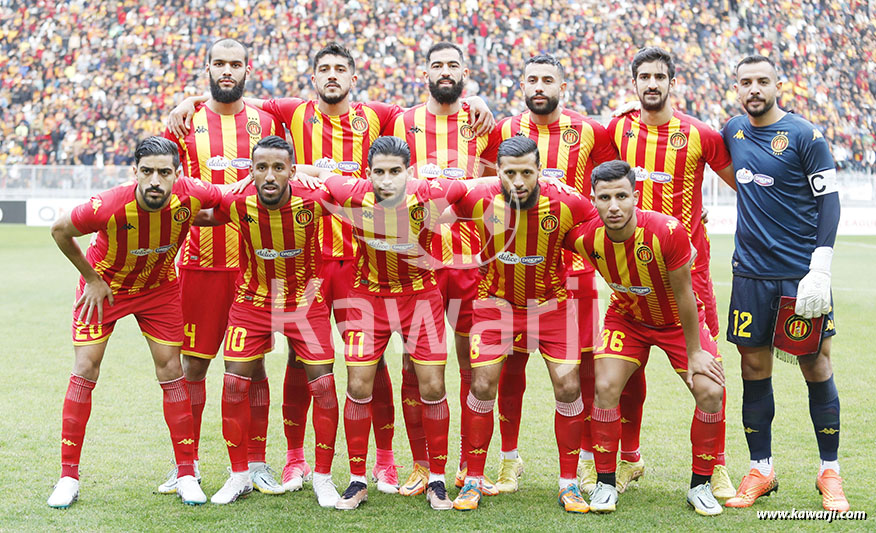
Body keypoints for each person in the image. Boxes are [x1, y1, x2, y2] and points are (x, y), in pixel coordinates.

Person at [167, 41, 494, 494]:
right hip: (312, 262)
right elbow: (238, 95)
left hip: (363, 261)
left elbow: (434, 101)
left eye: (342, 69)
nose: (333, 76)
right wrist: (193, 100)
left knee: (372, 364)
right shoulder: (293, 113)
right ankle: (296, 461)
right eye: (325, 69)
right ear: (314, 77)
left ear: (353, 77)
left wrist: (472, 97)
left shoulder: (379, 115)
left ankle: (383, 463)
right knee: (302, 362)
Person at [46, 136, 227, 508]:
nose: (155, 181)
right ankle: (68, 477)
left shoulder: (191, 194)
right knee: (85, 367)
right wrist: (93, 279)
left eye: (164, 172)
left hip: (158, 289)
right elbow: (60, 230)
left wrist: (207, 215)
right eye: (147, 172)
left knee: (171, 370)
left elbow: (225, 204)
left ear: (177, 174)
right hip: (105, 288)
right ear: (135, 173)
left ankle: (186, 473)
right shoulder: (109, 205)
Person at [317, 136, 492, 511]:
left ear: (408, 173)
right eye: (379, 172)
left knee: (432, 386)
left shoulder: (428, 192)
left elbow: (480, 183)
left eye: (395, 172)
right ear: (367, 174)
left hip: (420, 298)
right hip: (368, 298)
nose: (387, 181)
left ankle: (438, 481)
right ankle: (358, 480)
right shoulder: (351, 191)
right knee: (359, 383)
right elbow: (316, 175)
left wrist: (541, 181)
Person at [606, 46, 737, 498]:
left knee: (709, 377)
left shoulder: (700, 135)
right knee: (623, 375)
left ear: (672, 82)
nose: (652, 84)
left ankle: (715, 466)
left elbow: (743, 184)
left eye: (660, 76)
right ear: (635, 82)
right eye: (644, 76)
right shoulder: (618, 130)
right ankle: (629, 460)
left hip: (690, 280)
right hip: (631, 281)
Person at [722, 56, 847, 512]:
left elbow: (829, 202)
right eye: (745, 82)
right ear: (737, 88)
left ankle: (828, 472)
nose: (754, 89)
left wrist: (821, 268)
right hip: (750, 275)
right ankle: (761, 469)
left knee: (816, 365)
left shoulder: (806, 135)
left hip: (801, 276)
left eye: (762, 81)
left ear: (779, 84)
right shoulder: (732, 130)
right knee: (753, 370)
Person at [161, 37, 285, 496]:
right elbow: (169, 185)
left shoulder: (267, 120)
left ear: (247, 69)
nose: (227, 70)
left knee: (253, 368)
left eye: (235, 63)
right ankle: (185, 465)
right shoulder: (184, 120)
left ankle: (255, 463)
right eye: (220, 63)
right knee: (192, 366)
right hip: (199, 265)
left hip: (253, 265)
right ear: (207, 67)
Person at [567, 160, 726, 516]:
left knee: (711, 391)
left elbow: (685, 294)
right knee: (605, 387)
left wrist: (696, 351)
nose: (614, 206)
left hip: (676, 322)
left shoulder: (666, 231)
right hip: (627, 320)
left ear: (634, 197)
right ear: (593, 199)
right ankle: (606, 485)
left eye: (622, 196)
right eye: (604, 197)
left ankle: (700, 485)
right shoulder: (584, 237)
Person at [192, 135, 341, 506]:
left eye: (279, 167)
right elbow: (194, 207)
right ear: (251, 172)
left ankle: (322, 477)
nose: (270, 176)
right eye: (261, 168)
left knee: (323, 386)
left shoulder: (314, 199)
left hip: (305, 303)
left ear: (292, 170)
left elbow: (348, 187)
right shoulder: (238, 202)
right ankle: (239, 474)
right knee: (232, 384)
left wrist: (312, 172)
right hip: (253, 302)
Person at [492, 54, 617, 494]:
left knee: (579, 369)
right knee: (510, 366)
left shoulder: (589, 132)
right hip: (515, 269)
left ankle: (585, 461)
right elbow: (486, 186)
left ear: (563, 85)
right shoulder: (504, 130)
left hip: (575, 271)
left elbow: (604, 186)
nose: (540, 86)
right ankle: (509, 459)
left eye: (549, 79)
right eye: (532, 79)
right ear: (520, 84)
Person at [450, 136, 595, 513]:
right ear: (497, 172)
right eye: (509, 173)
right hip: (494, 306)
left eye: (527, 173)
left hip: (551, 307)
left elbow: (606, 219)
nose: (518, 181)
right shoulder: (479, 199)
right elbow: (434, 197)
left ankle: (568, 484)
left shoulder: (566, 202)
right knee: (482, 383)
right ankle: (474, 480)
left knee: (568, 385)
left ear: (540, 172)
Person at [389, 41, 500, 495]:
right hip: (420, 264)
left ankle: (469, 467)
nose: (445, 72)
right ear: (424, 73)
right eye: (437, 65)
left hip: (473, 262)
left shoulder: (480, 122)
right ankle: (421, 463)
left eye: (453, 65)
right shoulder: (402, 122)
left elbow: (499, 178)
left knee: (475, 365)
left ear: (466, 72)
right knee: (415, 367)